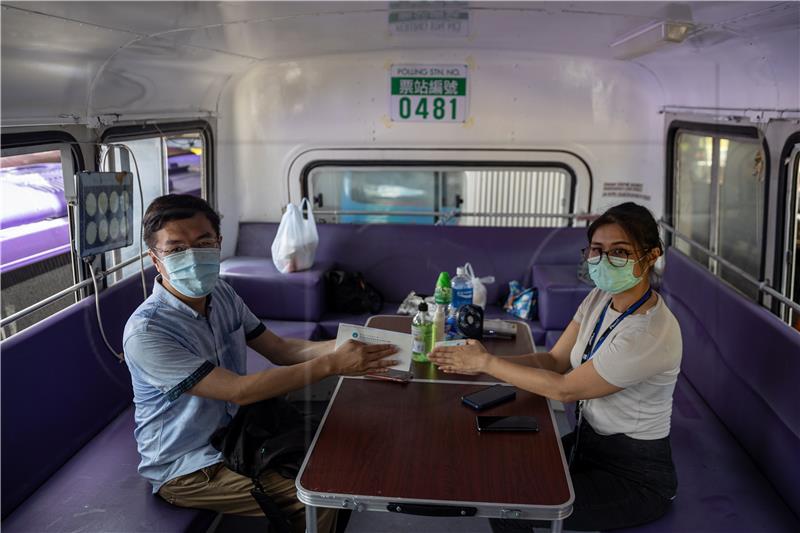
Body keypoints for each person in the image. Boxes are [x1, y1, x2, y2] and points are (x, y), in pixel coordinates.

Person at [123, 194, 397, 533]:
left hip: (241, 433)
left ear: (219, 243)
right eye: (176, 249)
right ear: (155, 259)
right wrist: (332, 364)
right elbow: (237, 391)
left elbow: (282, 350)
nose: (192, 257)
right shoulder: (148, 332)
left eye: (203, 242)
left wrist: (349, 347)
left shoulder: (221, 294)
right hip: (188, 465)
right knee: (318, 493)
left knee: (344, 445)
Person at [430, 202, 682, 531]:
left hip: (633, 476)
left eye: (619, 252)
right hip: (586, 444)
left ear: (650, 256)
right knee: (499, 467)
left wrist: (486, 362)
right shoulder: (600, 298)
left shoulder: (649, 332)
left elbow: (565, 387)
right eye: (597, 250)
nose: (604, 261)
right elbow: (554, 360)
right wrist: (478, 364)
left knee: (509, 500)